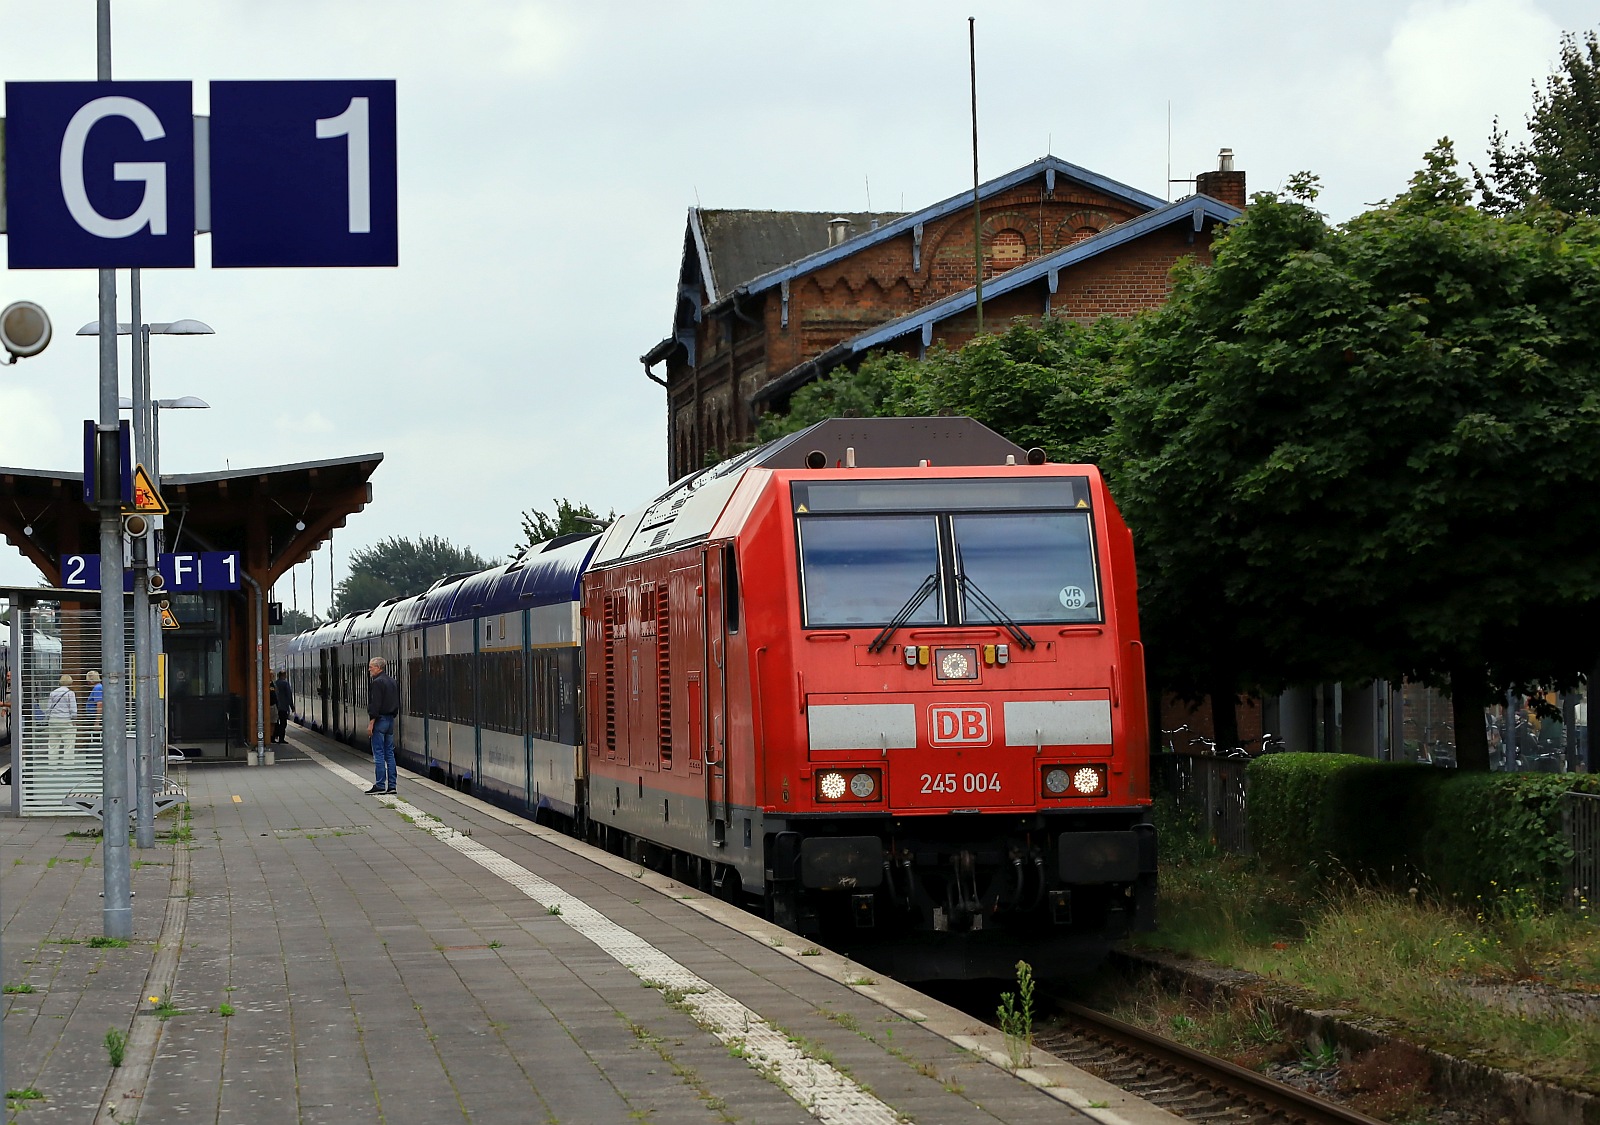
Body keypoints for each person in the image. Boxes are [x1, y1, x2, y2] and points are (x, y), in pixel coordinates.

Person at [365, 656, 399, 794]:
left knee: (378, 753)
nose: (369, 670)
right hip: (390, 720)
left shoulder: (377, 683)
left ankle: (380, 784)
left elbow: (376, 704)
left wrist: (371, 723)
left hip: (380, 721)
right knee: (389, 754)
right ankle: (392, 786)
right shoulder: (392, 681)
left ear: (378, 667)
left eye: (371, 667)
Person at [43, 674, 77, 762]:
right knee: (68, 744)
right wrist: (74, 720)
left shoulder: (53, 693)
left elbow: (48, 708)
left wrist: (47, 719)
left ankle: (52, 765)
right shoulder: (70, 693)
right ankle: (67, 765)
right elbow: (73, 709)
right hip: (66, 720)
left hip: (53, 720)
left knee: (53, 743)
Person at [272, 670, 293, 744]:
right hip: (283, 707)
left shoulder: (275, 683)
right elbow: (289, 696)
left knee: (275, 722)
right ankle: (281, 739)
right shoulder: (285, 683)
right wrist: (292, 706)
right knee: (283, 723)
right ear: (283, 676)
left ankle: (273, 737)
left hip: (276, 706)